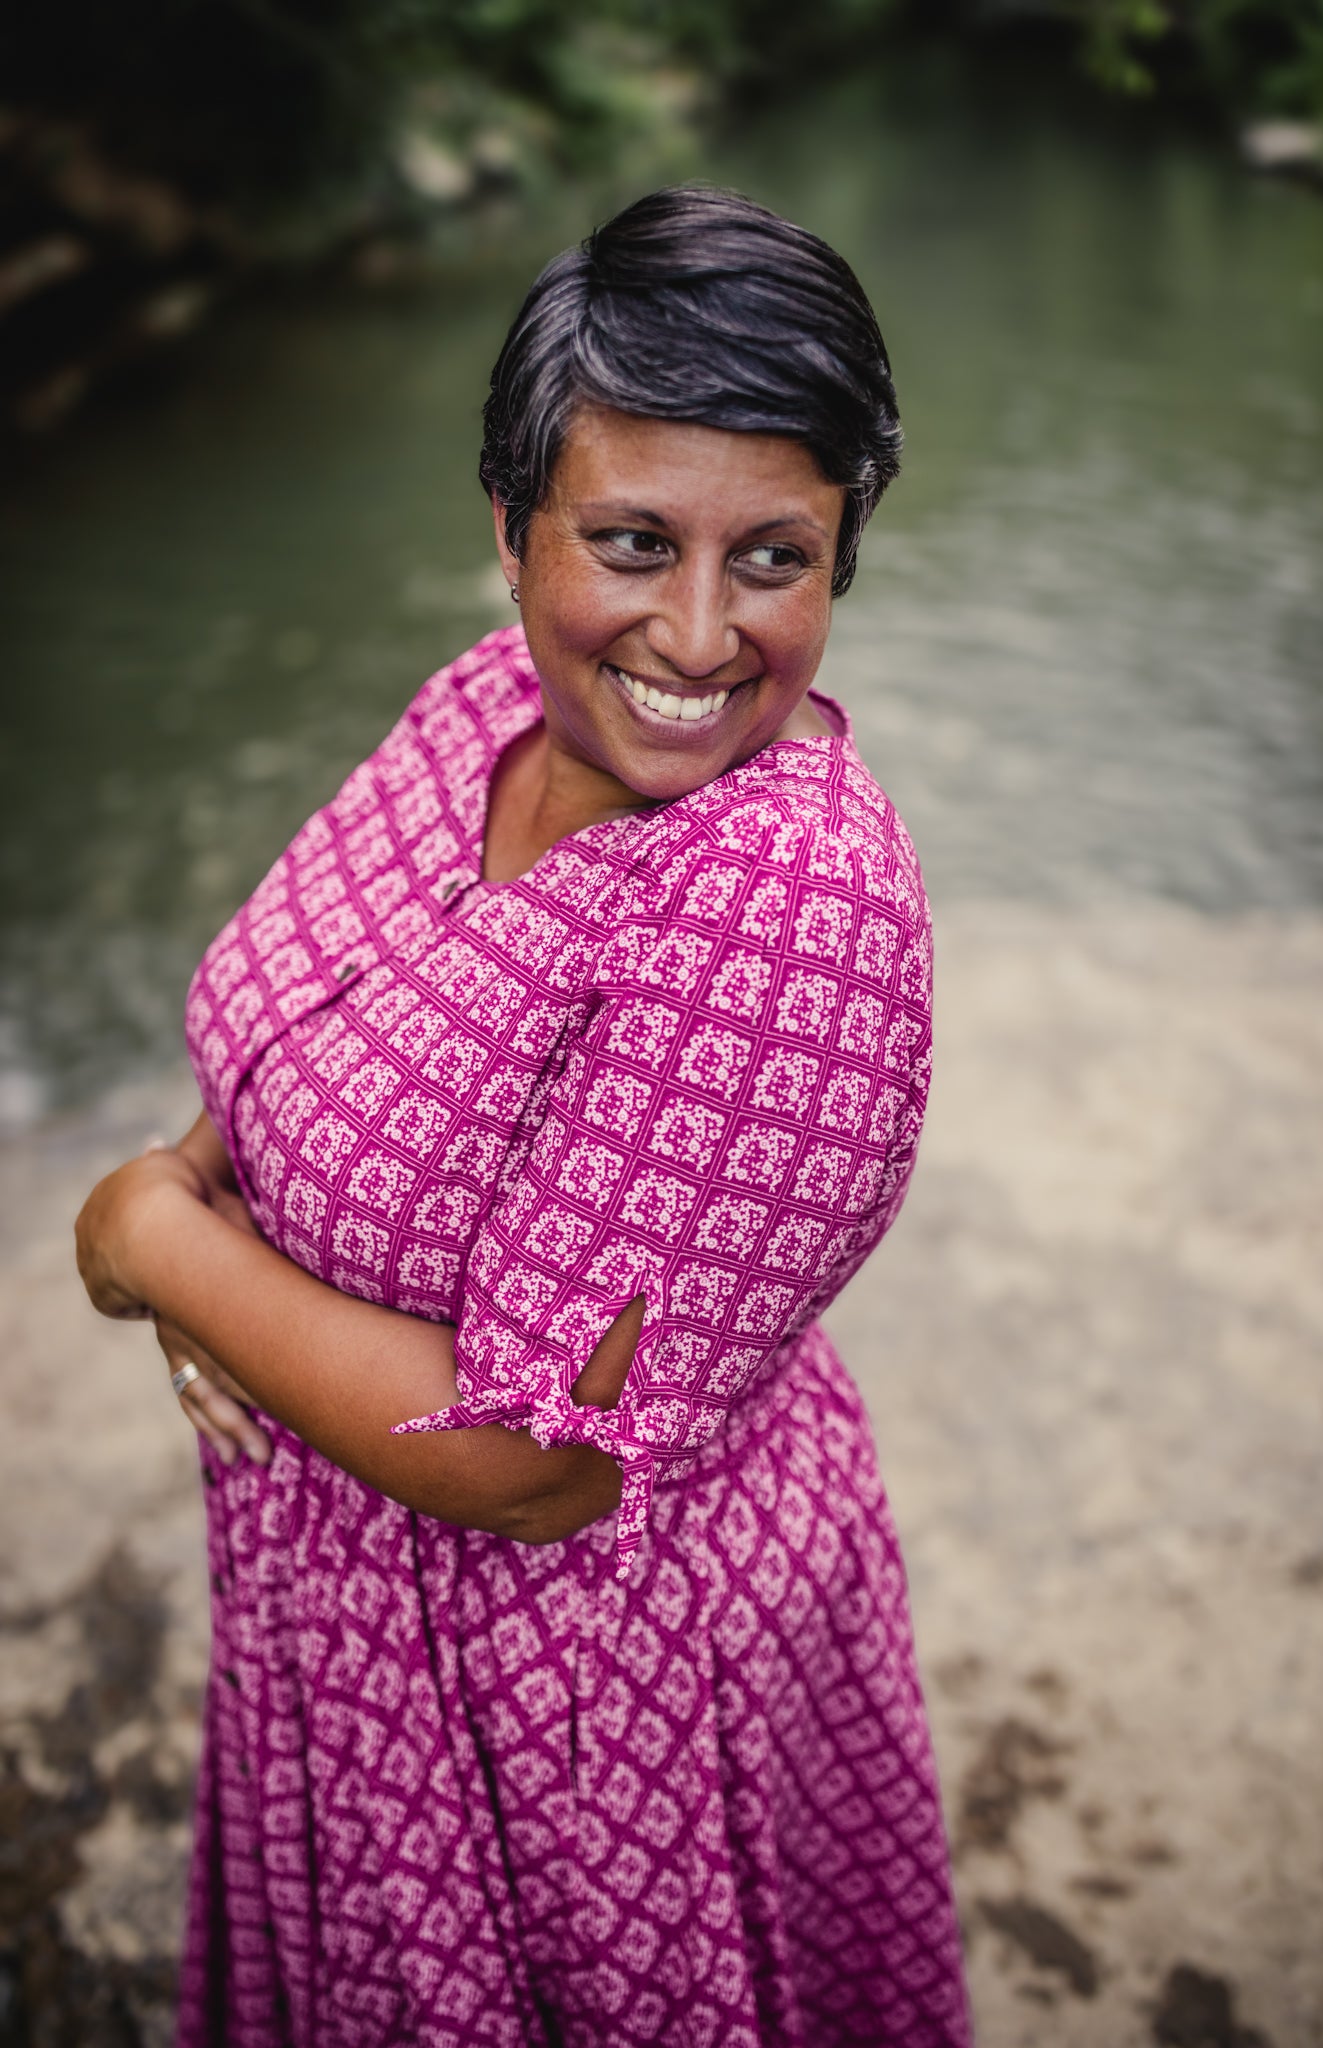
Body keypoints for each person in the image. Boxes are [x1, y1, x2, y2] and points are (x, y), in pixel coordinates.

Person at [76, 185, 971, 2047]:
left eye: (776, 558)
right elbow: (303, 993)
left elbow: (534, 1460)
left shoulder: (783, 912)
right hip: (344, 1598)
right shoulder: (492, 700)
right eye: (632, 540)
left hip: (568, 1696)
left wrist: (152, 1238)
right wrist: (196, 1154)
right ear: (508, 530)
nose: (701, 638)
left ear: (844, 553)